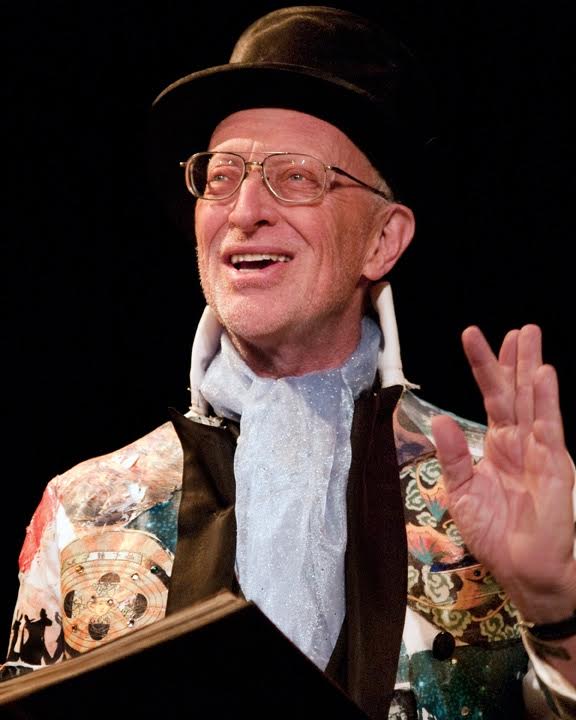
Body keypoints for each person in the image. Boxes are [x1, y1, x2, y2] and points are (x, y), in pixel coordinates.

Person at [1, 6, 575, 719]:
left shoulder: (503, 491)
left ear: (383, 241)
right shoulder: (83, 508)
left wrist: (556, 613)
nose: (244, 210)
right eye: (221, 175)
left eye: (296, 176)